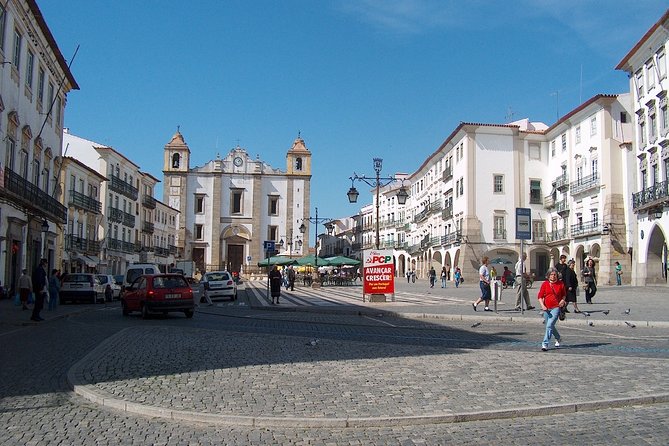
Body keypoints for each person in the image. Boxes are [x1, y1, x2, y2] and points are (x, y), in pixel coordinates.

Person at [537, 267, 566, 351]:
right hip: (546, 308)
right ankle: (558, 337)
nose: (553, 276)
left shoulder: (560, 284)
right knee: (550, 326)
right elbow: (540, 296)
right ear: (548, 276)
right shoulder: (545, 284)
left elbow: (564, 294)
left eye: (555, 275)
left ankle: (545, 344)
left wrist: (562, 300)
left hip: (556, 307)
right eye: (551, 275)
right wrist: (542, 305)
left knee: (549, 325)